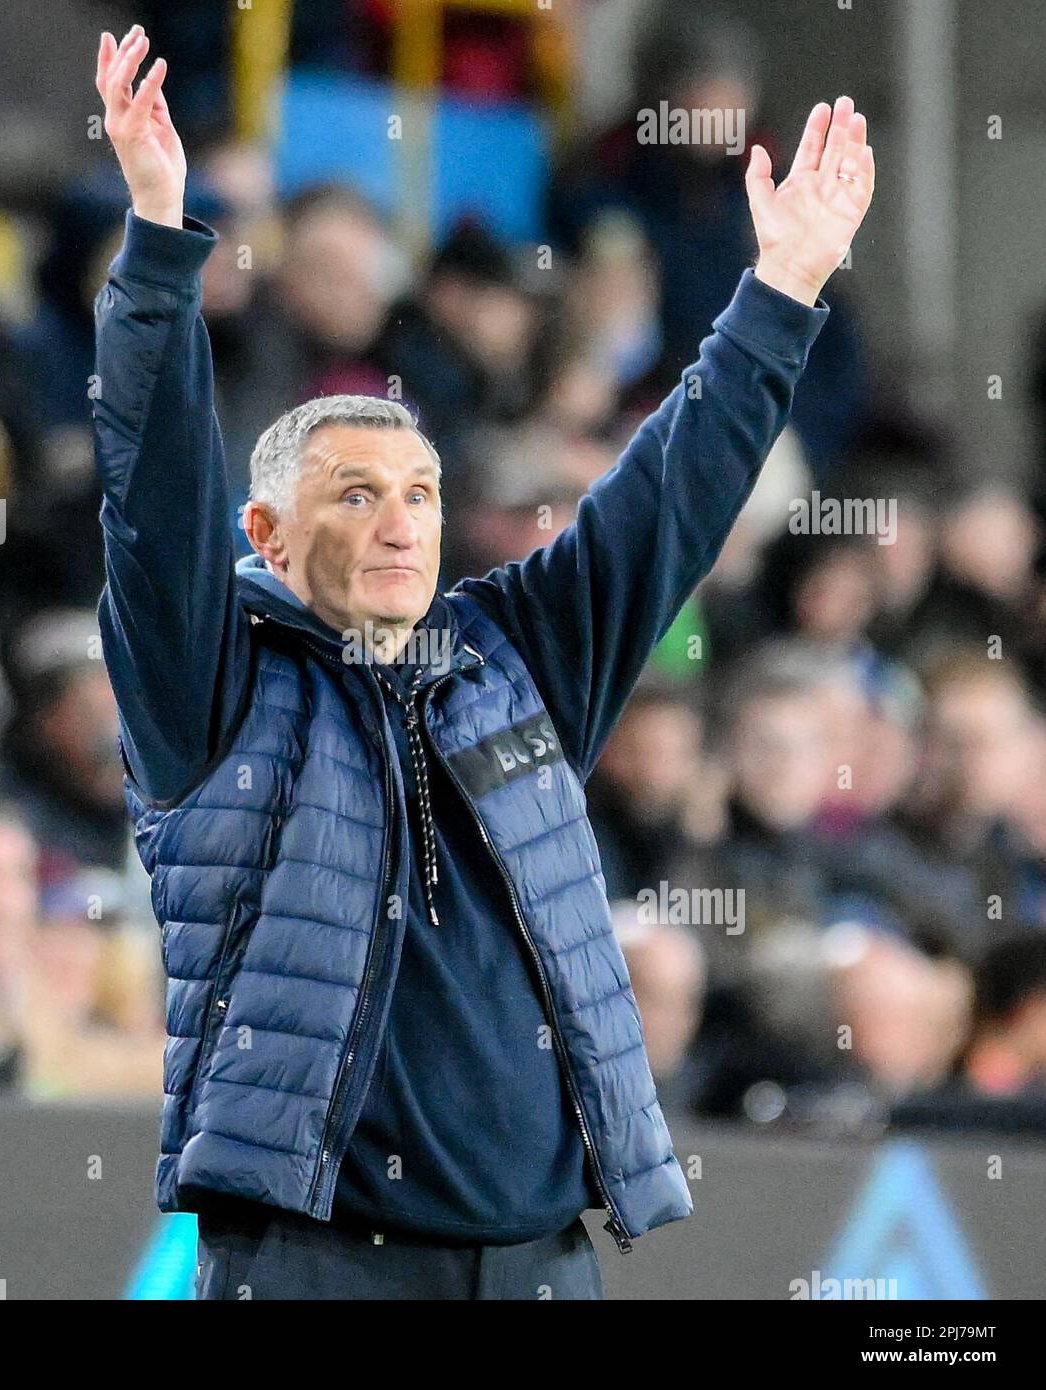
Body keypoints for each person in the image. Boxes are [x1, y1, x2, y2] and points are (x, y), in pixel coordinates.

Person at [91, 25, 874, 1300]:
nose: (400, 522)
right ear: (268, 536)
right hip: (318, 1268)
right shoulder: (213, 688)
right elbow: (150, 496)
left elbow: (663, 502)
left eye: (420, 491)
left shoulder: (514, 654)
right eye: (353, 496)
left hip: (544, 1265)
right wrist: (164, 245)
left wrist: (778, 293)